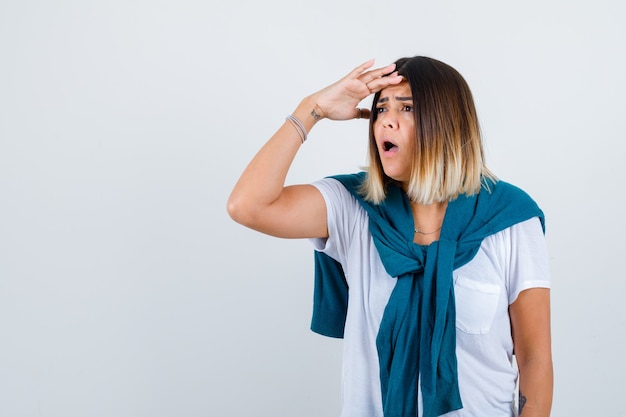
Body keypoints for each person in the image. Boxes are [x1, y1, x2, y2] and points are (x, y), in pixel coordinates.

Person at [227, 56, 553, 417]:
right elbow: (248, 206)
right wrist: (312, 109)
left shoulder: (510, 217)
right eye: (381, 108)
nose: (387, 120)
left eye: (407, 107)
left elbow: (534, 357)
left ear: (447, 122)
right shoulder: (353, 207)